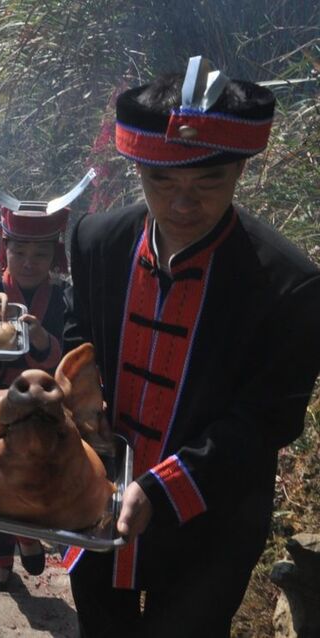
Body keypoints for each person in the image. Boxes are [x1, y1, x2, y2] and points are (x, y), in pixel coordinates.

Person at [61, 58, 320, 637]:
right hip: (97, 502)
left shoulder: (287, 284)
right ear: (137, 171)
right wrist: (82, 388)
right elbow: (81, 328)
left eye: (208, 183)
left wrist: (159, 488)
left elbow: (267, 422)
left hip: (212, 523)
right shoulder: (97, 241)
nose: (183, 204)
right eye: (163, 182)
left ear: (240, 173)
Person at [0, 204, 71, 591]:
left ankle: (27, 534)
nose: (29, 262)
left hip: (41, 410)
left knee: (31, 480)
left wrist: (42, 340)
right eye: (19, 252)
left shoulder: (61, 299)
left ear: (53, 255)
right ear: (4, 249)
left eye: (40, 254)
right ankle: (1, 563)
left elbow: (71, 357)